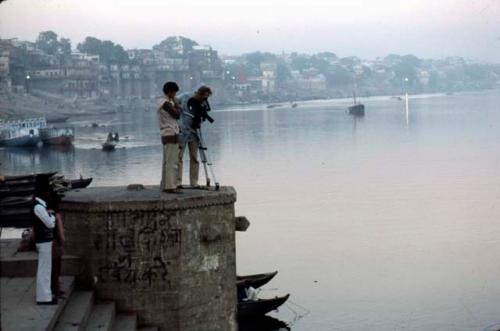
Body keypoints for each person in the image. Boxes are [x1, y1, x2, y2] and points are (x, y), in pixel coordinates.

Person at [177, 86, 214, 188]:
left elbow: (204, 116)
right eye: (203, 96)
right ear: (198, 93)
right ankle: (177, 182)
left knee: (194, 157)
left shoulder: (203, 103)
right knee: (178, 157)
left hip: (195, 133)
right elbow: (174, 101)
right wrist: (177, 109)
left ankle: (194, 182)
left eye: (206, 97)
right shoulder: (185, 97)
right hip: (182, 131)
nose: (204, 99)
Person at [33, 185, 57, 305]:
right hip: (43, 241)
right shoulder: (38, 207)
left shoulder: (39, 206)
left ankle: (46, 296)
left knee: (45, 269)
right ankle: (43, 298)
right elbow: (50, 224)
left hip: (44, 241)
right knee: (44, 270)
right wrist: (52, 217)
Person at [158, 81, 182, 193]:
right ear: (170, 92)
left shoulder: (164, 102)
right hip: (170, 133)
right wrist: (177, 105)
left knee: (167, 161)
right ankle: (170, 186)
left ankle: (165, 184)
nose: (175, 95)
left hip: (168, 133)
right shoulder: (166, 103)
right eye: (174, 93)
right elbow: (176, 114)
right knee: (171, 162)